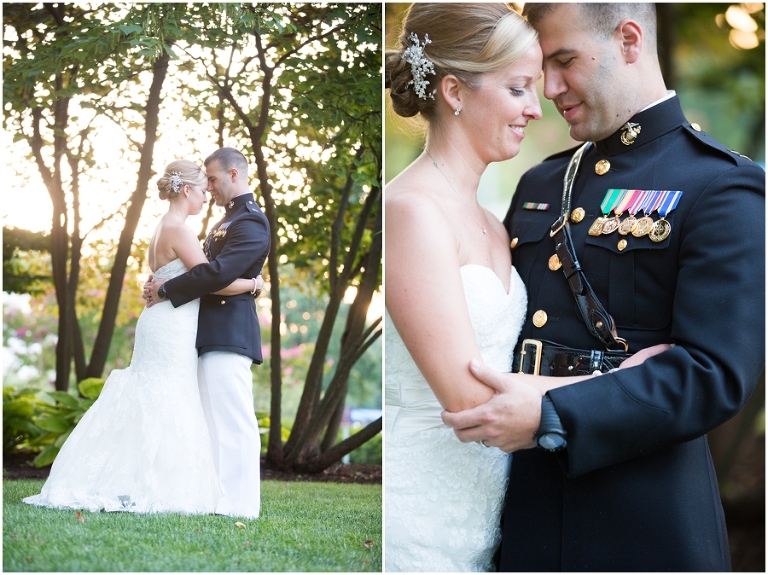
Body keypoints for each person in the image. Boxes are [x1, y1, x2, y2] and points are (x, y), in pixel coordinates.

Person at [442, 3, 765, 571]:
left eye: (564, 61)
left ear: (630, 40)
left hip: (643, 523)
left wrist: (554, 412)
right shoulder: (542, 181)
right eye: (543, 68)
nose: (549, 88)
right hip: (522, 510)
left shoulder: (721, 186)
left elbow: (714, 373)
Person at [24, 160, 260, 514]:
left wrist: (167, 286)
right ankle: (155, 485)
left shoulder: (162, 226)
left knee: (156, 395)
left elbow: (193, 276)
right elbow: (214, 278)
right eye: (201, 189)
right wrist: (255, 284)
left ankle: (143, 481)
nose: (205, 195)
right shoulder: (180, 230)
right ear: (185, 190)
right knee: (167, 396)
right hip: (172, 323)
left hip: (163, 320)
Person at [145, 147, 269, 519]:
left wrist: (167, 289)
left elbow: (217, 274)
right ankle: (218, 498)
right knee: (211, 422)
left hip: (230, 331)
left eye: (213, 179)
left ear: (234, 175)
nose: (209, 187)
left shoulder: (251, 221)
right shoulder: (223, 222)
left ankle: (242, 505)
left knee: (234, 420)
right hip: (202, 331)